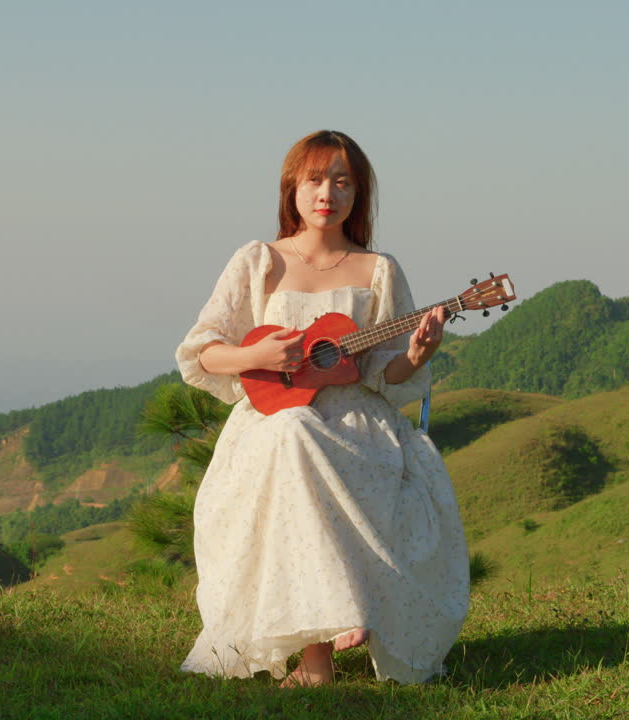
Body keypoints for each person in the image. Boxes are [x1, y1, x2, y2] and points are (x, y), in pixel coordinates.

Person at [175, 130, 469, 686]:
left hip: (358, 428)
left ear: (359, 194)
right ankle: (325, 645)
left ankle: (325, 648)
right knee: (292, 433)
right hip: (273, 424)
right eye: (314, 179)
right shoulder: (259, 261)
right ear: (292, 187)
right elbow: (202, 351)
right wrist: (255, 355)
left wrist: (417, 353)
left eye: (342, 182)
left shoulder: (378, 269)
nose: (326, 194)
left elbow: (385, 371)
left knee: (300, 441)